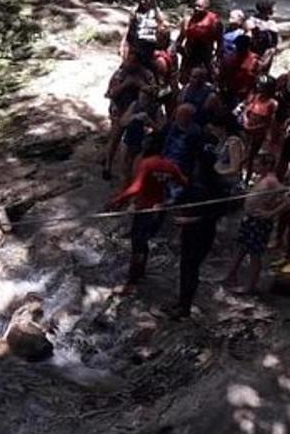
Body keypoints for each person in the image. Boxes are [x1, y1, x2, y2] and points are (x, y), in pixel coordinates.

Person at [108, 136, 188, 285]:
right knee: (144, 241)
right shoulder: (170, 166)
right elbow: (185, 183)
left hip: (144, 209)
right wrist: (173, 201)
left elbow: (136, 187)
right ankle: (141, 272)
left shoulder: (147, 164)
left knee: (137, 244)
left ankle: (132, 280)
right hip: (159, 209)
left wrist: (117, 200)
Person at [171, 149, 228, 319]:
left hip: (202, 232)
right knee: (184, 266)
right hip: (190, 231)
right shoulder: (196, 182)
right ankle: (182, 301)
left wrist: (191, 220)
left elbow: (216, 213)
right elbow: (182, 198)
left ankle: (185, 307)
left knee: (191, 268)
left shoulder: (214, 186)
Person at [224, 153, 284, 294]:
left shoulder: (271, 181)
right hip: (250, 219)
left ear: (267, 166)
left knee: (254, 254)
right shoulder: (261, 178)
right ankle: (230, 275)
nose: (255, 167)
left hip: (260, 222)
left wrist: (272, 212)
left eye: (258, 164)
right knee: (241, 248)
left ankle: (249, 286)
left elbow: (287, 199)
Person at [103, 50, 155, 179]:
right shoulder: (119, 74)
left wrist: (139, 84)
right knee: (115, 137)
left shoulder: (146, 74)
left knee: (138, 142)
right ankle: (107, 165)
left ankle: (134, 169)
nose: (130, 64)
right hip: (120, 109)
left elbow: (154, 91)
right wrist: (125, 84)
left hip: (139, 110)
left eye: (133, 61)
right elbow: (110, 93)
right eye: (128, 60)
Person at [118, 87, 162, 177]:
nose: (143, 101)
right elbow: (122, 122)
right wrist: (134, 117)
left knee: (136, 171)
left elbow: (160, 129)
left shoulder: (156, 108)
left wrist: (149, 121)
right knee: (124, 169)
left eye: (145, 98)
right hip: (129, 138)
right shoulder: (134, 105)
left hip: (143, 141)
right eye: (141, 97)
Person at [241, 76, 279, 182]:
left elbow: (268, 123)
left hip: (258, 134)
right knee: (243, 152)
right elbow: (247, 110)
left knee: (252, 155)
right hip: (247, 129)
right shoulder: (256, 97)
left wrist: (254, 128)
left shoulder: (272, 103)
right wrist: (245, 121)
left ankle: (247, 178)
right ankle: (240, 174)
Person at [176, 0, 222, 81]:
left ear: (207, 8)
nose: (196, 9)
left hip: (205, 53)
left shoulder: (214, 21)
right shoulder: (188, 20)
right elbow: (181, 37)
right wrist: (179, 48)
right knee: (185, 78)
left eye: (200, 7)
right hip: (189, 52)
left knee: (206, 78)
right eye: (195, 6)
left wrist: (217, 55)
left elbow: (219, 40)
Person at [123, 0, 164, 68]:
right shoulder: (135, 11)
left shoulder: (157, 13)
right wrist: (123, 45)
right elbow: (129, 28)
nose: (142, 2)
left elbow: (161, 28)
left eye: (145, 0)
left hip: (150, 46)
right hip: (135, 45)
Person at [163, 103, 204, 178]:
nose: (176, 117)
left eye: (181, 115)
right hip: (168, 161)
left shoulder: (195, 131)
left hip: (182, 165)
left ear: (189, 117)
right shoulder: (173, 127)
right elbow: (167, 146)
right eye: (177, 114)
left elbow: (193, 154)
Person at [220, 33, 261, 106]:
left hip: (245, 93)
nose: (238, 47)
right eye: (238, 45)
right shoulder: (230, 57)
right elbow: (223, 74)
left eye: (241, 46)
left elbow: (255, 77)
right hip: (230, 91)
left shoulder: (254, 60)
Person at [253, 0, 280, 74]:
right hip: (264, 55)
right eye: (273, 7)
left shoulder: (252, 20)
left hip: (255, 55)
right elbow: (273, 44)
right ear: (267, 9)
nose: (275, 9)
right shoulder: (271, 25)